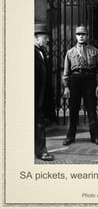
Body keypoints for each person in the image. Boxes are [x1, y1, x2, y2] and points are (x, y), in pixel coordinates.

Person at [62, 26, 98, 146]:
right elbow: (66, 72)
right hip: (75, 80)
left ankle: (95, 137)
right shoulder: (70, 52)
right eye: (78, 34)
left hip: (89, 80)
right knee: (73, 110)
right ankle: (70, 137)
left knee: (91, 109)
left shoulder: (94, 51)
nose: (81, 36)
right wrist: (66, 86)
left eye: (83, 34)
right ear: (75, 36)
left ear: (87, 36)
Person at [35, 24, 56, 161]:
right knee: (38, 124)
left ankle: (39, 148)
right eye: (45, 37)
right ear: (36, 37)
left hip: (41, 97)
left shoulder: (42, 51)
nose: (47, 40)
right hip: (34, 96)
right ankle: (41, 151)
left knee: (39, 123)